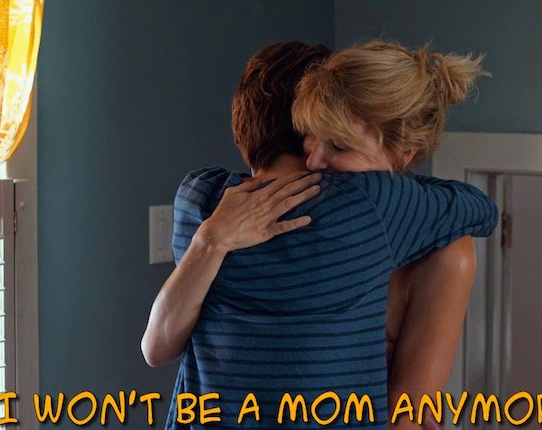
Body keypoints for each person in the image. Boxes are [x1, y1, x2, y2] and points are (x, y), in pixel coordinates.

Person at [142, 41, 494, 430]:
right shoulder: (375, 206)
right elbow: (480, 207)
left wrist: (210, 239)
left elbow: (156, 349)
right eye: (313, 135)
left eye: (338, 144)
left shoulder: (201, 196)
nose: (315, 160)